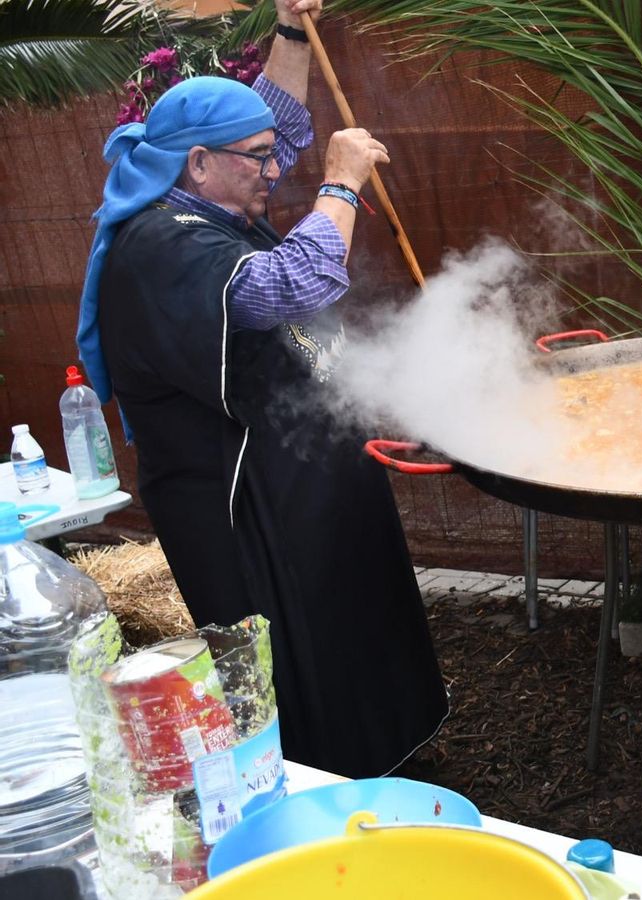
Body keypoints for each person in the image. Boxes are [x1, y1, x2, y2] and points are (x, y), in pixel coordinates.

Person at [77, 0, 448, 778]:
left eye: (275, 155)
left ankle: (385, 764)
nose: (277, 170)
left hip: (296, 482)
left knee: (354, 637)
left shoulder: (208, 189)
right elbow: (292, 282)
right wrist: (341, 185)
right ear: (197, 163)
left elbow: (269, 119)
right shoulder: (158, 245)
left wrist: (288, 29)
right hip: (239, 505)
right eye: (258, 159)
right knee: (297, 663)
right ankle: (317, 797)